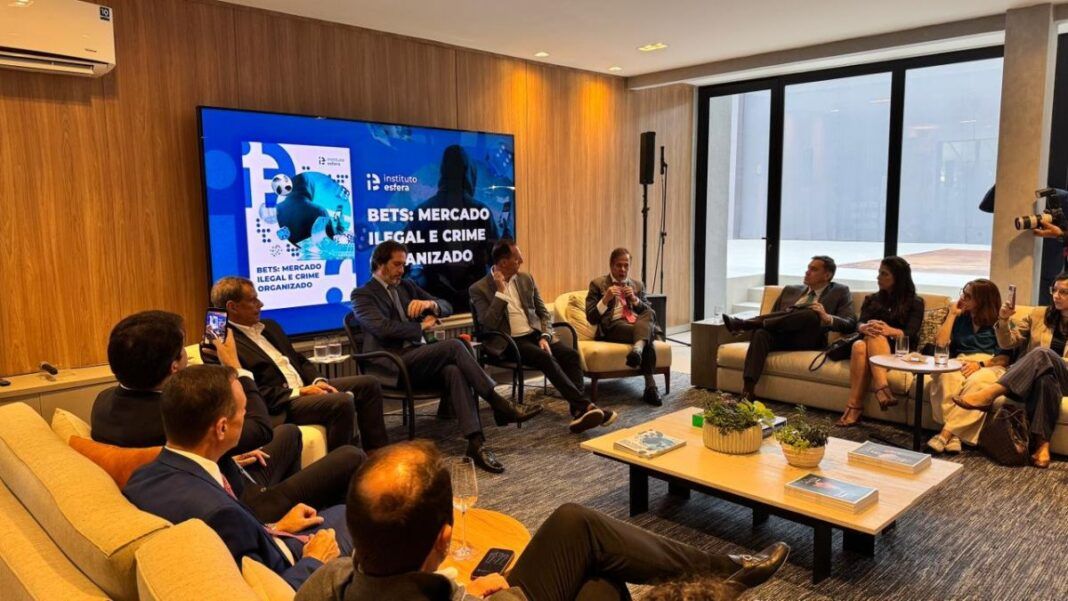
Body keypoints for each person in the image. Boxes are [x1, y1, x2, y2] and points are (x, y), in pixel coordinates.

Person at [294, 440, 790, 601]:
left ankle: (725, 570)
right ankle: (724, 570)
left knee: (595, 577)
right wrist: (489, 589)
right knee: (583, 540)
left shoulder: (325, 583)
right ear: (445, 538)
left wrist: (459, 588)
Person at [93, 311, 364, 523]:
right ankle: (314, 520)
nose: (188, 356)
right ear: (174, 367)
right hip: (242, 505)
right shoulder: (177, 412)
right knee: (351, 456)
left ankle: (297, 510)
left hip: (220, 473)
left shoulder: (103, 402)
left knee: (290, 433)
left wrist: (223, 455)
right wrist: (234, 365)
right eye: (183, 351)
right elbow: (260, 429)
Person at [124, 365, 354, 590]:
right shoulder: (221, 515)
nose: (246, 415)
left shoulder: (141, 478)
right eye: (244, 410)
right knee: (349, 518)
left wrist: (275, 527)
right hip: (290, 571)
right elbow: (264, 591)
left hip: (270, 540)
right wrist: (315, 560)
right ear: (222, 428)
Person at [351, 240, 542, 474]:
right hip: (391, 363)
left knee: (454, 370)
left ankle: (476, 443)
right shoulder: (362, 294)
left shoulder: (407, 286)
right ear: (379, 264)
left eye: (404, 265)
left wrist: (431, 304)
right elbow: (383, 328)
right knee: (454, 346)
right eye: (397, 264)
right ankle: (499, 403)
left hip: (416, 358)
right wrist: (422, 326)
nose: (402, 270)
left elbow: (447, 305)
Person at [211, 276, 388, 451]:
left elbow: (299, 360)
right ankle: (344, 463)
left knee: (368, 384)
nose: (261, 304)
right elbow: (253, 391)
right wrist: (299, 392)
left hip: (305, 387)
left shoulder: (269, 326)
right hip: (282, 403)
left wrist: (318, 380)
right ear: (232, 307)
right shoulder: (224, 344)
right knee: (341, 401)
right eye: (253, 300)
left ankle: (377, 454)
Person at [470, 239, 615, 433]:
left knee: (571, 355)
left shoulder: (526, 278)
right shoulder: (479, 288)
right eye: (517, 259)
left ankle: (578, 411)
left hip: (535, 335)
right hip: (508, 342)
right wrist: (501, 293)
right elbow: (488, 324)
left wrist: (545, 335)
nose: (521, 261)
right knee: (545, 358)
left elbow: (543, 313)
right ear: (503, 262)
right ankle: (585, 407)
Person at [954, 271, 1068, 468]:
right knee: (1045, 380)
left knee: (1042, 353)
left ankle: (990, 393)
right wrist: (1004, 320)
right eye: (1054, 290)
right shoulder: (1039, 315)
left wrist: (1051, 359)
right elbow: (1008, 344)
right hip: (1039, 379)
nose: (1056, 296)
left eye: (1064, 292)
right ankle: (1042, 446)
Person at [721, 256, 856, 400]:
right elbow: (773, 317)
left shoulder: (840, 291)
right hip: (782, 336)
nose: (807, 272)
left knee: (811, 313)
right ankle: (748, 391)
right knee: (760, 332)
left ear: (827, 275)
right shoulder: (791, 290)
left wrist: (826, 317)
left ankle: (746, 324)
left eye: (813, 269)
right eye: (808, 268)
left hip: (809, 339)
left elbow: (850, 324)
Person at [403, 144, 501, 314]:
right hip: (475, 302)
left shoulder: (421, 211)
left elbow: (402, 258)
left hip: (435, 302)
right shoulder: (481, 211)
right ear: (469, 173)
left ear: (443, 172)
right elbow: (498, 259)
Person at [837, 256, 925, 427]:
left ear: (898, 277)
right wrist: (863, 327)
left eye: (884, 274)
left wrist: (889, 330)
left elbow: (910, 333)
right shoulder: (872, 299)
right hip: (869, 347)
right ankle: (879, 390)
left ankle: (857, 406)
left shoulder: (915, 302)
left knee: (874, 336)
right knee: (860, 344)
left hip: (899, 349)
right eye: (879, 273)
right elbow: (859, 323)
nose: (878, 277)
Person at [926, 279, 1011, 453]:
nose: (963, 298)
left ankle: (945, 434)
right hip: (960, 360)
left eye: (968, 296)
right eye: (963, 294)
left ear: (982, 300)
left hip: (989, 364)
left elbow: (1004, 358)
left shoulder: (1000, 322)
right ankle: (955, 436)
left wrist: (979, 364)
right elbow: (941, 344)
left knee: (977, 383)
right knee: (946, 376)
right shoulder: (961, 318)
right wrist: (952, 314)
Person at [586, 247, 664, 406]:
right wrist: (605, 300)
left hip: (636, 325)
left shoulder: (638, 285)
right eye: (619, 265)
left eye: (626, 265)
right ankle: (651, 387)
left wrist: (635, 300)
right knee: (647, 334)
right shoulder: (598, 284)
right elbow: (591, 317)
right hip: (613, 327)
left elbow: (649, 313)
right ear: (611, 265)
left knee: (649, 315)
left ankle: (638, 349)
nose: (622, 269)